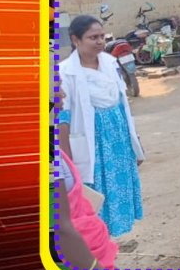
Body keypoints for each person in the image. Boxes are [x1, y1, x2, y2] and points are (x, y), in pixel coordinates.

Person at [59, 15, 145, 238]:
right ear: (76, 40)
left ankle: (109, 246)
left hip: (117, 141)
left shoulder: (109, 62)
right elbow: (63, 120)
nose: (99, 41)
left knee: (117, 192)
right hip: (92, 146)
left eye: (101, 36)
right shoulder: (64, 73)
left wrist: (134, 144)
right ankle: (96, 249)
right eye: (92, 37)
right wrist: (68, 165)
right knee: (94, 197)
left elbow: (122, 105)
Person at [54, 77, 118, 270]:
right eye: (56, 88)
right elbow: (61, 229)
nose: (63, 94)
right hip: (81, 258)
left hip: (89, 245)